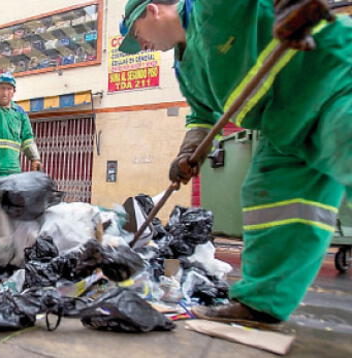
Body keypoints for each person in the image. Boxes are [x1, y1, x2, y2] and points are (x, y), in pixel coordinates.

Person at [119, 0, 352, 326]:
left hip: (330, 79)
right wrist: (189, 152)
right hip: (284, 128)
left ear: (152, 10)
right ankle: (262, 304)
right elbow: (202, 115)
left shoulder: (211, 7)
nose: (142, 45)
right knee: (270, 198)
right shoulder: (185, 68)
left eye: (137, 35)